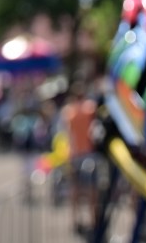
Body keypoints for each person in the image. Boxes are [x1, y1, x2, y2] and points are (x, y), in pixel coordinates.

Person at [61, 81, 98, 235]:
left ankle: (75, 220)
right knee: (91, 189)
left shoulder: (69, 111)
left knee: (75, 189)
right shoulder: (90, 108)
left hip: (74, 154)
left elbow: (67, 135)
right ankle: (93, 220)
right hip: (89, 153)